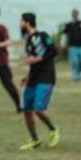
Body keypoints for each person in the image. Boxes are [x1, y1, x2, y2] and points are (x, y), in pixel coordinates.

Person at [19, 13, 60, 151]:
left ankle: (53, 129)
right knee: (26, 110)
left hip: (46, 78)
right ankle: (34, 139)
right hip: (33, 79)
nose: (20, 24)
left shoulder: (43, 36)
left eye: (21, 21)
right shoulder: (28, 40)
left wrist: (38, 59)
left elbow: (54, 51)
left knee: (38, 109)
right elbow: (32, 63)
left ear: (27, 22)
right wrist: (27, 77)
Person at [62, 9, 81, 82]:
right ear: (72, 14)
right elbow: (64, 35)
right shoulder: (68, 25)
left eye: (76, 13)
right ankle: (76, 77)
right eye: (73, 13)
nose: (75, 14)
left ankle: (77, 72)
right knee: (74, 62)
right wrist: (62, 43)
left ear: (78, 14)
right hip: (72, 47)